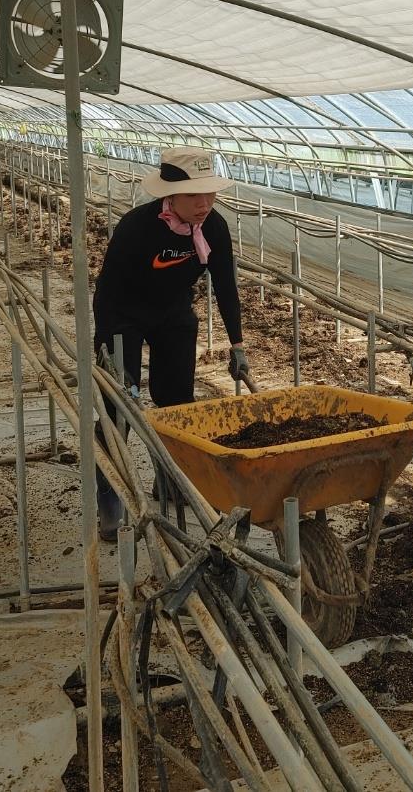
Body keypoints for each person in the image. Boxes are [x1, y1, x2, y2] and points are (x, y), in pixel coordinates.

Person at [91, 148, 251, 538]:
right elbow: (107, 292)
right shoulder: (137, 227)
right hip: (124, 314)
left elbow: (225, 286)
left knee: (177, 404)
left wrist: (237, 345)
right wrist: (107, 352)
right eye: (194, 195)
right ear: (170, 194)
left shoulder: (213, 228)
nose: (204, 203)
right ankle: (110, 497)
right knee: (119, 406)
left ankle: (169, 479)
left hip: (173, 313)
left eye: (209, 193)